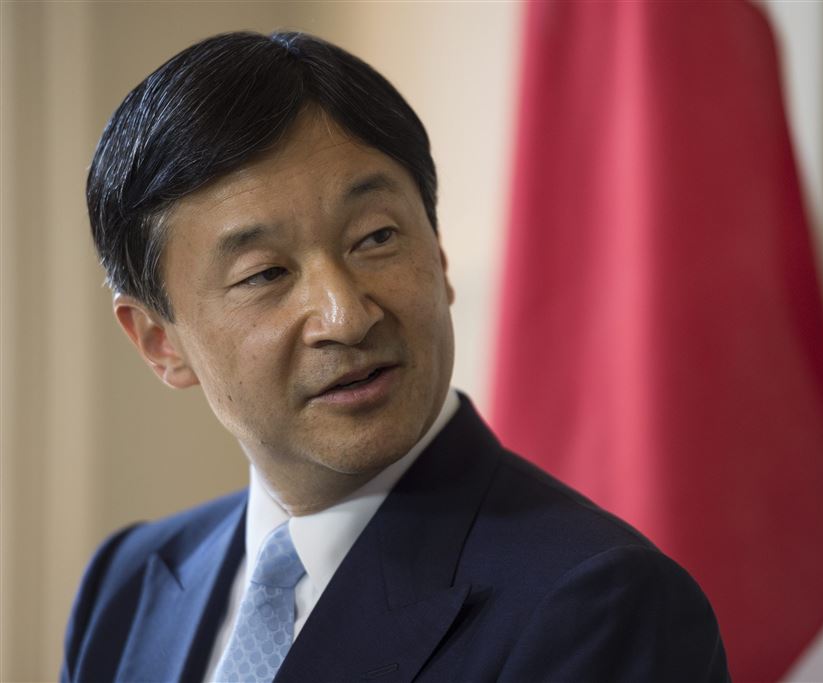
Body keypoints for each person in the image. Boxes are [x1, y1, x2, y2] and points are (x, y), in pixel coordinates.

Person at [62, 31, 729, 683]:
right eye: (265, 274)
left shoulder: (602, 605)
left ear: (438, 253)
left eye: (376, 237)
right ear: (160, 342)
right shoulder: (127, 584)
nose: (346, 316)